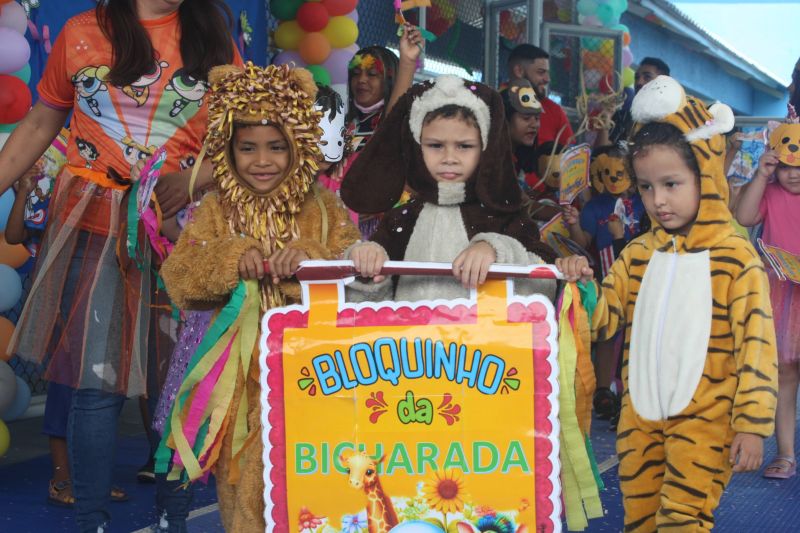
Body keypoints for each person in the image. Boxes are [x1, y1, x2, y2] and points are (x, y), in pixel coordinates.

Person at [0, 1, 239, 530]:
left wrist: (193, 182)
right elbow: (43, 119)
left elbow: (238, 138)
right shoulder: (84, 32)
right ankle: (92, 521)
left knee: (172, 385)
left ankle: (172, 519)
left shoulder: (211, 34)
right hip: (92, 227)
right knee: (96, 384)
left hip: (178, 234)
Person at [557, 76, 777, 531]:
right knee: (639, 519)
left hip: (706, 420)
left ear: (707, 175)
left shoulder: (737, 260)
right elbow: (606, 317)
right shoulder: (637, 253)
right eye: (646, 187)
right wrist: (581, 288)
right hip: (639, 418)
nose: (658, 201)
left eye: (672, 184)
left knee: (683, 519)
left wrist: (752, 424)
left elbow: (758, 347)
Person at [158, 63, 360, 532]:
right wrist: (232, 255)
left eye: (276, 147)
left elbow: (354, 270)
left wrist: (306, 260)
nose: (262, 160)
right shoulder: (215, 208)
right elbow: (180, 278)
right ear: (226, 150)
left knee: (311, 482)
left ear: (300, 147)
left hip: (315, 375)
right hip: (237, 382)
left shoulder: (324, 206)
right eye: (247, 148)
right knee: (242, 482)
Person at [340, 75, 556, 302]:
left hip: (480, 338)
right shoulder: (400, 220)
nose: (449, 158)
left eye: (464, 146)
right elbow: (366, 308)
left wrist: (497, 251)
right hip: (411, 338)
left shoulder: (503, 216)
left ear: (485, 148)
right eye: (435, 145)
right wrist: (367, 267)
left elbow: (546, 283)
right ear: (416, 145)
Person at [735, 121, 800, 479]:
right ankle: (787, 454)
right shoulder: (771, 193)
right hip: (781, 293)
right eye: (786, 166)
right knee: (785, 376)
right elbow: (743, 217)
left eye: (799, 166)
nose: (792, 174)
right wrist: (762, 175)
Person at [507, 44, 573, 146]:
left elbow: (571, 154)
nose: (548, 79)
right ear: (519, 71)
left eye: (537, 118)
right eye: (541, 72)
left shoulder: (554, 110)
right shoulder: (494, 105)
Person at [598, 57, 671, 146]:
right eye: (637, 77)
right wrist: (606, 118)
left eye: (647, 77)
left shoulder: (672, 121)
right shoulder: (622, 116)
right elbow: (600, 153)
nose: (639, 82)